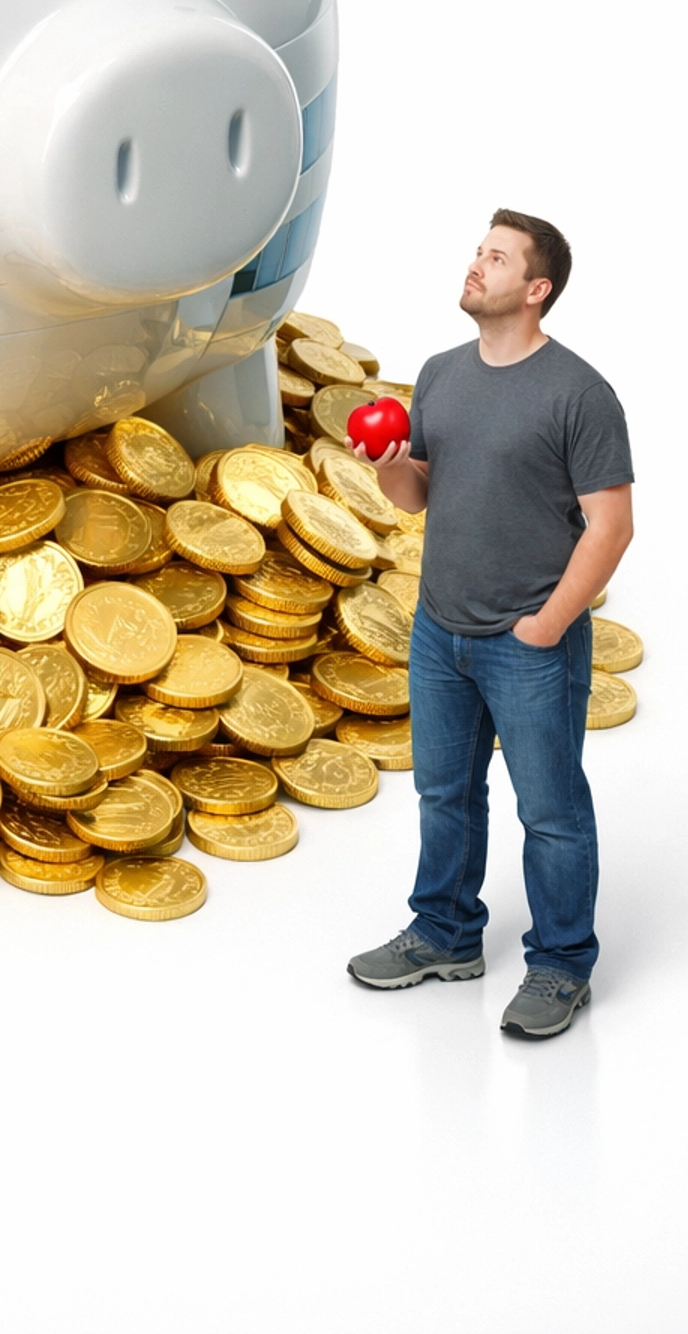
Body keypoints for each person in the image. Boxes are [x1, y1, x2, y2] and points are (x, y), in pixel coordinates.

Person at [346, 212, 633, 1038]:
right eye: (478, 251)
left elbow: (611, 527)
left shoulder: (579, 392)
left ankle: (562, 964)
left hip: (527, 643)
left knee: (550, 811)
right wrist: (393, 464)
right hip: (439, 631)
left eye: (495, 258)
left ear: (536, 289)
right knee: (445, 794)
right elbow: (418, 495)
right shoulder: (439, 374)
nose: (475, 265)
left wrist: (546, 626)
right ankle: (444, 934)